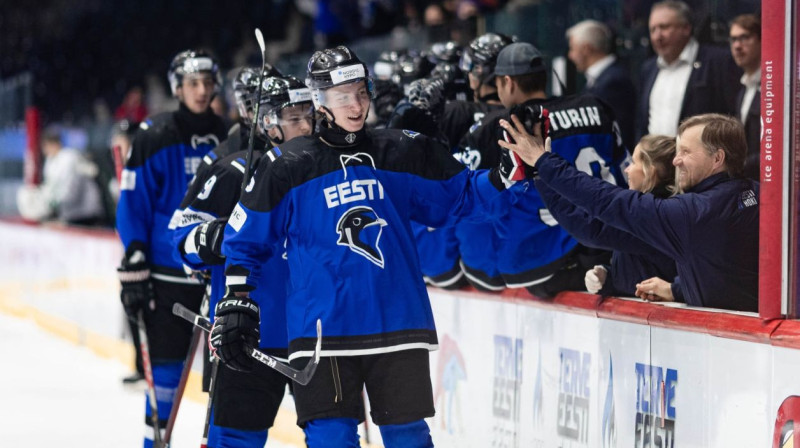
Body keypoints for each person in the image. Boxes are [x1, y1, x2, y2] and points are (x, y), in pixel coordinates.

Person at [214, 45, 511, 448]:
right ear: (320, 101)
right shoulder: (287, 163)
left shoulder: (403, 150)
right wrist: (237, 299)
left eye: (361, 92)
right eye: (343, 96)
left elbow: (463, 197)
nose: (356, 105)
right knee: (331, 440)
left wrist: (506, 174)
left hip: (398, 325)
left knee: (409, 437)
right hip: (323, 332)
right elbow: (246, 240)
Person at [172, 74, 313, 448]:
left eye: (309, 115)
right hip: (248, 334)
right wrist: (214, 237)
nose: (306, 125)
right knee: (236, 439)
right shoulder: (231, 170)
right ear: (268, 122)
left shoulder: (331, 169)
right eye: (293, 117)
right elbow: (180, 238)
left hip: (318, 334)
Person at [503, 112, 759, 312]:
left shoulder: (695, 213)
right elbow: (726, 275)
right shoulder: (759, 194)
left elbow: (608, 203)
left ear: (717, 159)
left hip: (737, 353)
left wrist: (543, 163)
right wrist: (677, 289)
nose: (675, 160)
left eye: (686, 152)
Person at [116, 49, 227, 447]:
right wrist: (136, 253)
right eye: (192, 84)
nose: (201, 91)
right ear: (177, 87)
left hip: (216, 276)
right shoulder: (154, 135)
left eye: (207, 83)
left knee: (226, 382)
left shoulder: (229, 135)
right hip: (167, 277)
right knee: (164, 376)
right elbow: (133, 203)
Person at [461, 42, 629, 297]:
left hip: (545, 265)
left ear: (508, 83)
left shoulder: (502, 126)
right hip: (612, 249)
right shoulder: (596, 106)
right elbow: (628, 171)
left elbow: (469, 198)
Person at [536, 134, 679, 297]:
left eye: (633, 162)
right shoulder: (658, 207)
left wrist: (541, 175)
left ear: (650, 171)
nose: (627, 169)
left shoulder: (653, 214)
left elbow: (591, 229)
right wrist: (607, 277)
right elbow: (645, 268)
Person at [636, 1, 740, 140]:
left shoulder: (717, 62)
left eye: (664, 27)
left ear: (686, 28)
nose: (657, 36)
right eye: (653, 30)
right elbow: (641, 122)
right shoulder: (648, 69)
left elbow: (731, 117)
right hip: (655, 159)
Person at [566, 19, 636, 150]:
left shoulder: (614, 81)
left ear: (586, 48)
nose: (570, 55)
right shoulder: (595, 80)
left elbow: (616, 132)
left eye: (572, 49)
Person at [16, 126, 105, 226]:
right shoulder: (51, 161)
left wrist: (52, 207)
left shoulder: (70, 157)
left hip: (85, 214)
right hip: (69, 213)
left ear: (54, 144)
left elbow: (70, 192)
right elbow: (51, 188)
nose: (44, 150)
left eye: (46, 146)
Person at [729, 13, 761, 181]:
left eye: (744, 38)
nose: (737, 46)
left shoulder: (773, 87)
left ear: (762, 41)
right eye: (733, 40)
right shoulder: (742, 91)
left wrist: (740, 165)